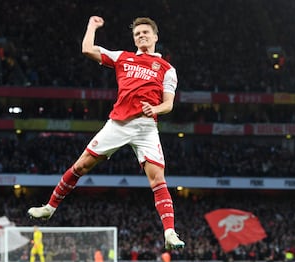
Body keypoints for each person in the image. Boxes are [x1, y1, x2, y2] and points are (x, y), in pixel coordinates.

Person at [28, 15, 185, 250]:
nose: (141, 36)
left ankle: (170, 233)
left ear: (155, 36)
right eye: (137, 34)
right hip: (118, 124)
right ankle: (49, 208)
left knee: (158, 179)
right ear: (134, 39)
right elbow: (87, 49)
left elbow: (169, 103)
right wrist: (92, 26)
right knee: (80, 166)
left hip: (146, 127)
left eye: (145, 32)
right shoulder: (123, 57)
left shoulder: (167, 69)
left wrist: (156, 108)